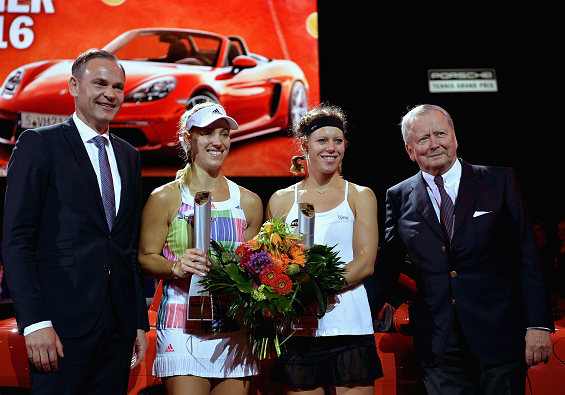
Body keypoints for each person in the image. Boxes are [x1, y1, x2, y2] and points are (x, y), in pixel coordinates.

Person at [368, 104, 554, 394]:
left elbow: (529, 257)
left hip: (501, 336)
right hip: (439, 343)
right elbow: (387, 267)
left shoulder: (499, 180)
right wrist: (355, 321)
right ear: (410, 150)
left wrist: (539, 325)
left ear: (454, 137)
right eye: (423, 139)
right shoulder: (398, 195)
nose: (434, 144)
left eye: (440, 133)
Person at [2, 49, 149, 394]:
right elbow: (17, 239)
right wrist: (35, 322)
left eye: (117, 87)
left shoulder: (130, 156)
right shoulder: (40, 144)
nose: (110, 94)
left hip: (117, 330)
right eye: (99, 83)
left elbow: (125, 246)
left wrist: (137, 323)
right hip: (58, 326)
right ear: (73, 86)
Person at [138, 102, 263, 395]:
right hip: (181, 327)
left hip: (235, 329)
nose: (218, 141)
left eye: (224, 133)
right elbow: (144, 259)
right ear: (187, 139)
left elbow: (256, 268)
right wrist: (175, 267)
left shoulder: (249, 202)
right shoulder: (165, 198)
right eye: (207, 133)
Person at [265, 104, 383, 395]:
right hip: (298, 330)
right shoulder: (280, 200)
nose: (331, 148)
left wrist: (315, 290)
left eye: (338, 141)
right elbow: (271, 263)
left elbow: (365, 262)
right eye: (322, 140)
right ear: (304, 145)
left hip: (350, 328)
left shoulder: (360, 195)